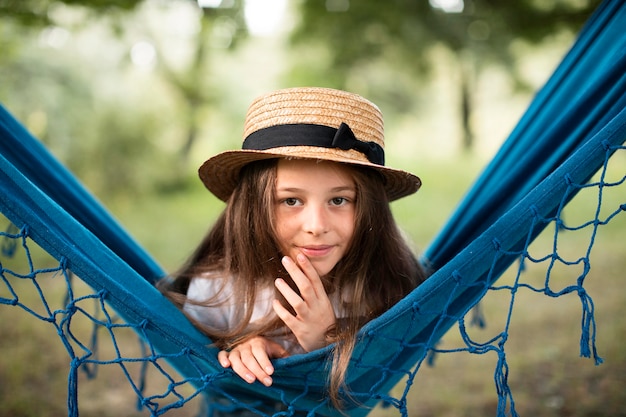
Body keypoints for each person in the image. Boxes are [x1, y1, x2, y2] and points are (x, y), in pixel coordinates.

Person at [160, 86, 427, 410]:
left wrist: (325, 338)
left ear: (370, 209)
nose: (316, 225)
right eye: (291, 200)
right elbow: (208, 372)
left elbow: (356, 393)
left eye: (339, 200)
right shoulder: (219, 287)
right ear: (253, 207)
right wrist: (240, 348)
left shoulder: (378, 289)